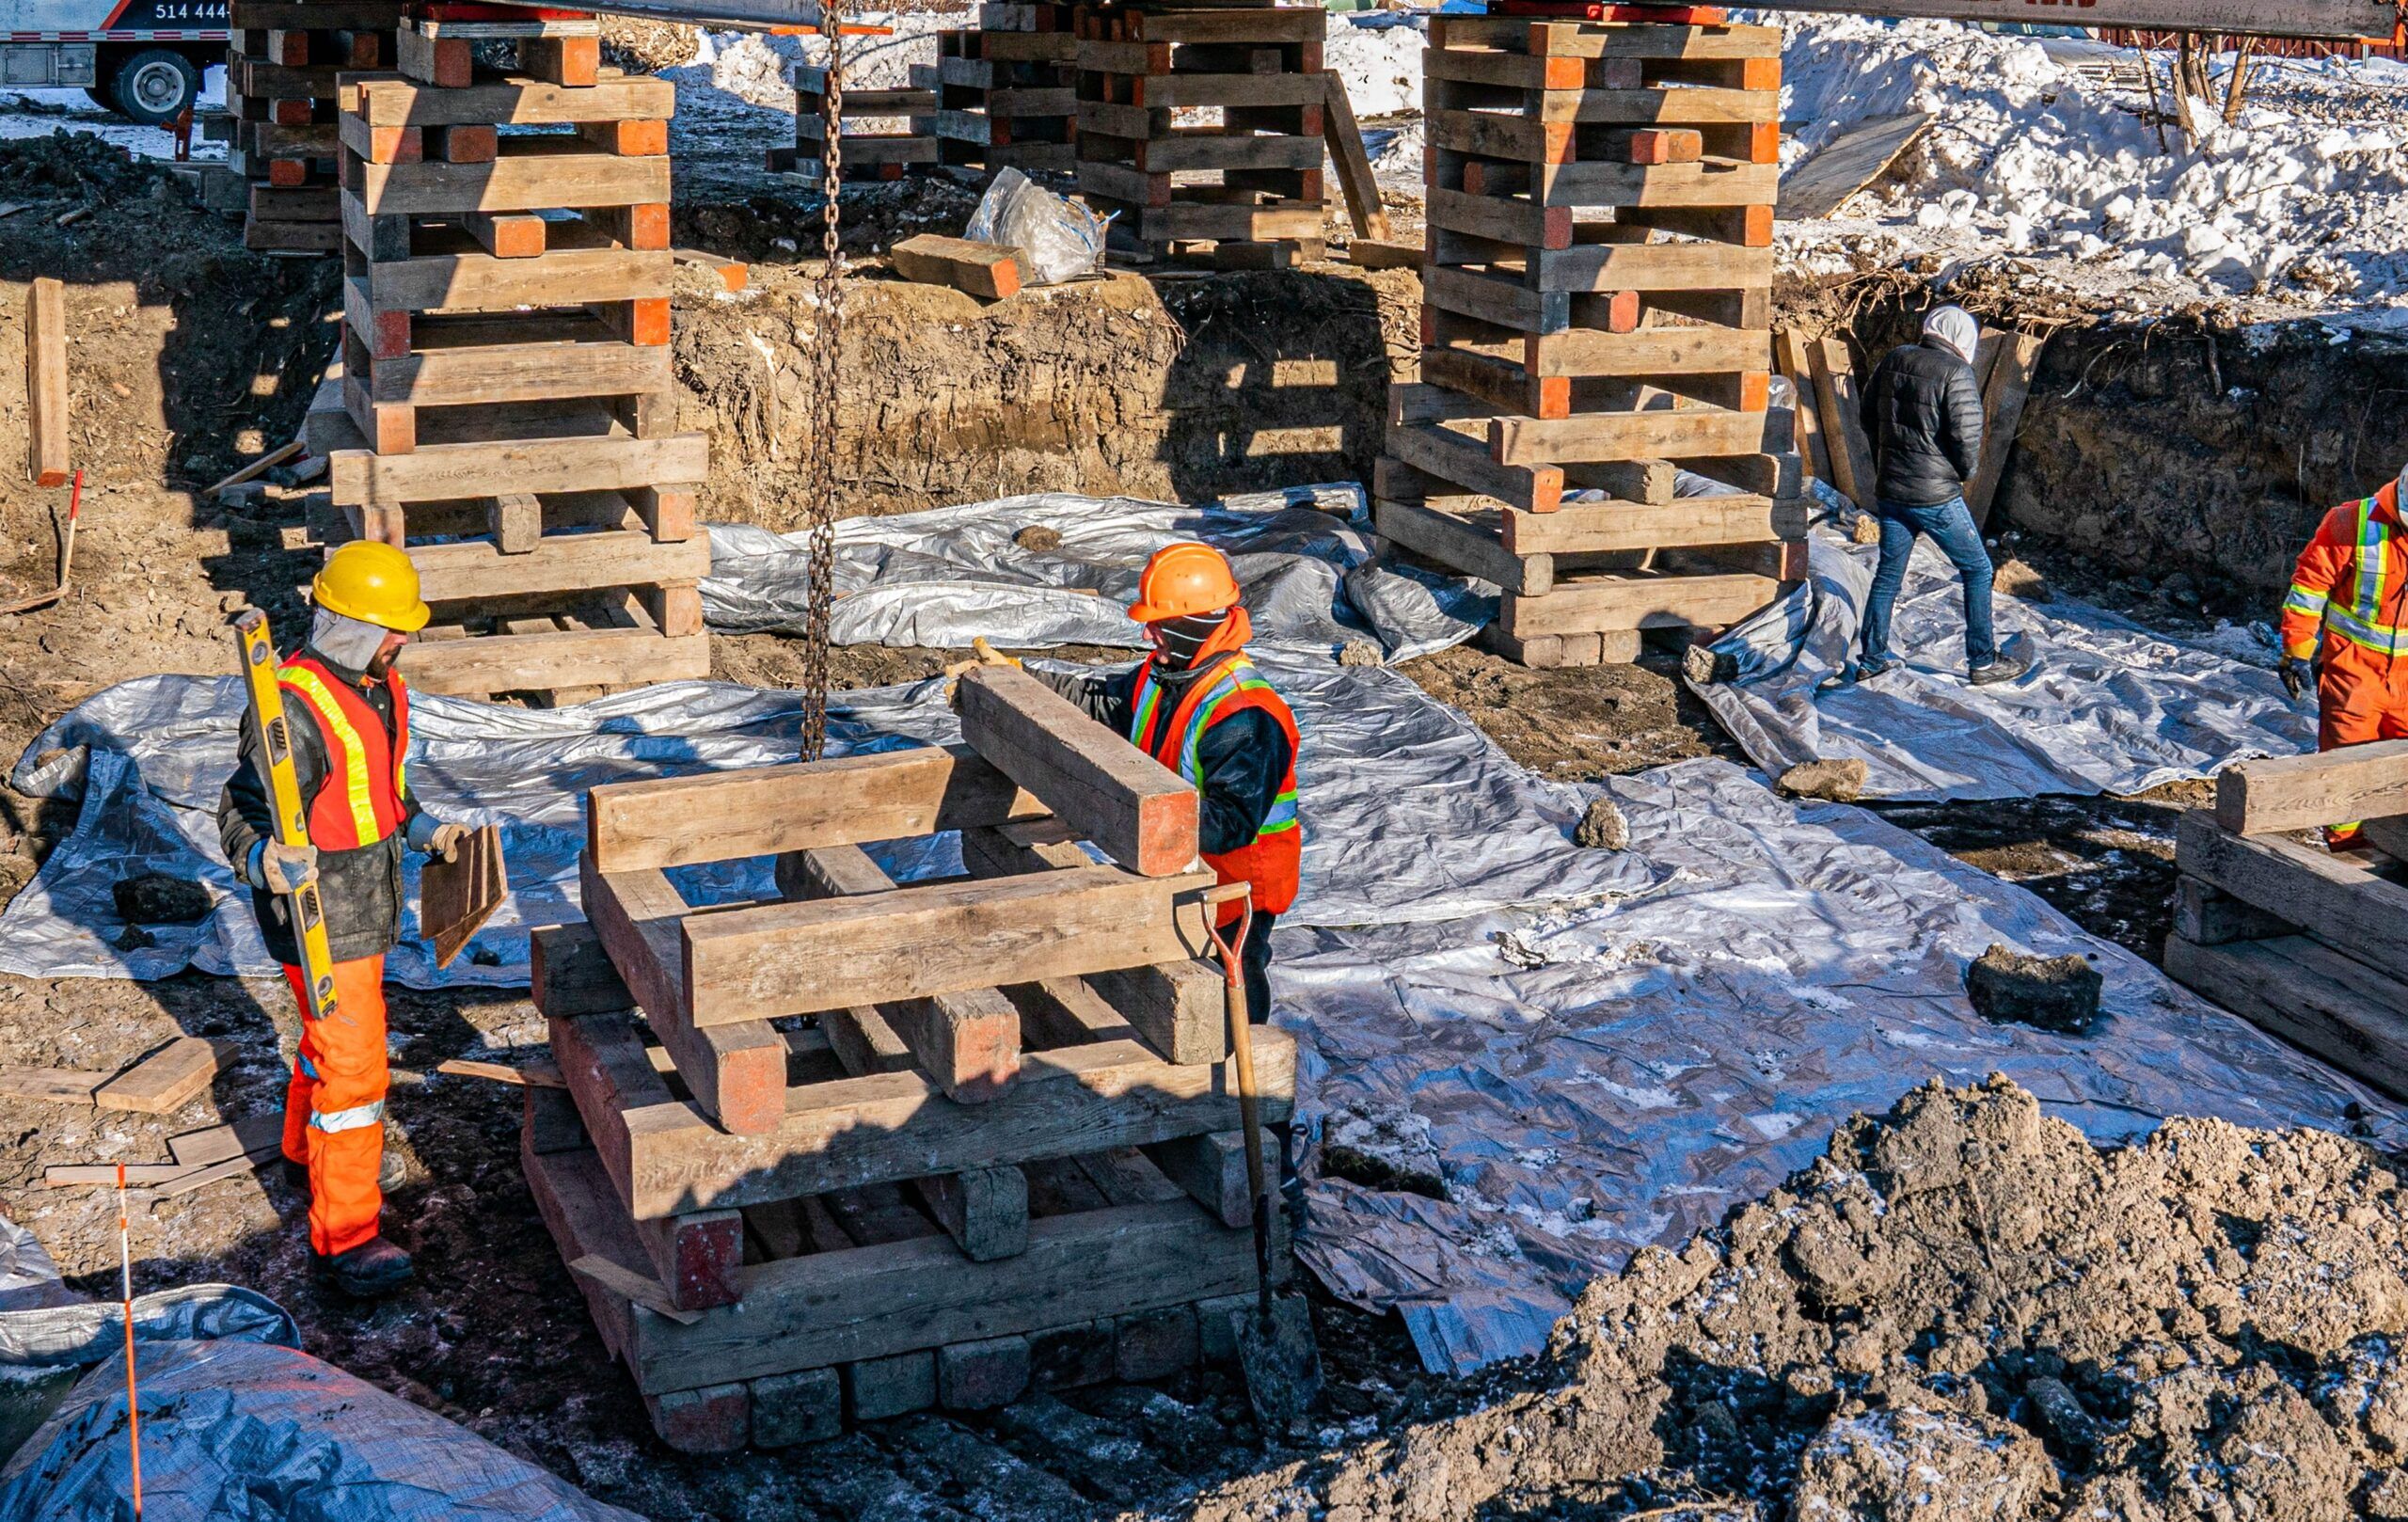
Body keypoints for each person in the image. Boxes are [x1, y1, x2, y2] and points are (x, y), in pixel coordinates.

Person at [217, 542, 467, 1299]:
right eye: (393, 628)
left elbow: (379, 789)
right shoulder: (288, 706)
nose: (403, 640)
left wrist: (421, 830)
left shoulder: (377, 685)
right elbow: (240, 806)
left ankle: (303, 1150)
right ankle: (347, 1238)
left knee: (332, 1045)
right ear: (351, 624)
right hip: (317, 914)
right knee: (355, 1069)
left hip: (366, 900)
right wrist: (262, 859)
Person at [972, 542, 1299, 1025]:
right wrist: (1021, 679)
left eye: (1161, 624)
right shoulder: (1162, 675)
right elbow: (1104, 705)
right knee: (1177, 980)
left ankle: (1241, 1072)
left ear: (1195, 625)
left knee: (1231, 977)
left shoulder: (1245, 715)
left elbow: (1229, 824)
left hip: (1235, 886)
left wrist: (1125, 811)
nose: (1148, 633)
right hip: (1177, 863)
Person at [1852, 305, 2030, 687]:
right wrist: (1963, 475)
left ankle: (1871, 659)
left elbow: (1867, 417)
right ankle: (1982, 661)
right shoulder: (1956, 372)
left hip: (1892, 490)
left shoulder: (1895, 358)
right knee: (1978, 569)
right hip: (1935, 496)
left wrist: (1888, 459)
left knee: (1887, 575)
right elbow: (1967, 438)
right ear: (1962, 339)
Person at [2278, 459, 2408, 848]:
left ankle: (2396, 853)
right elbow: (2309, 589)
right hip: (2354, 672)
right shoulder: (2351, 521)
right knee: (2346, 769)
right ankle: (2347, 856)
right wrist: (2296, 653)